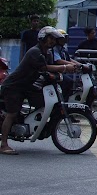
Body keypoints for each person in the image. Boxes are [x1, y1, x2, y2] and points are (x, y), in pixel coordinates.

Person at [1, 26, 78, 155]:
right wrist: (65, 68)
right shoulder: (34, 52)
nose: (52, 41)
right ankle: (3, 145)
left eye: (54, 39)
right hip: (15, 86)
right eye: (50, 38)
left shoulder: (46, 53)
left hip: (27, 85)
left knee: (39, 100)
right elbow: (45, 68)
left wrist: (70, 66)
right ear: (43, 38)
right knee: (12, 113)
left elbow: (50, 66)